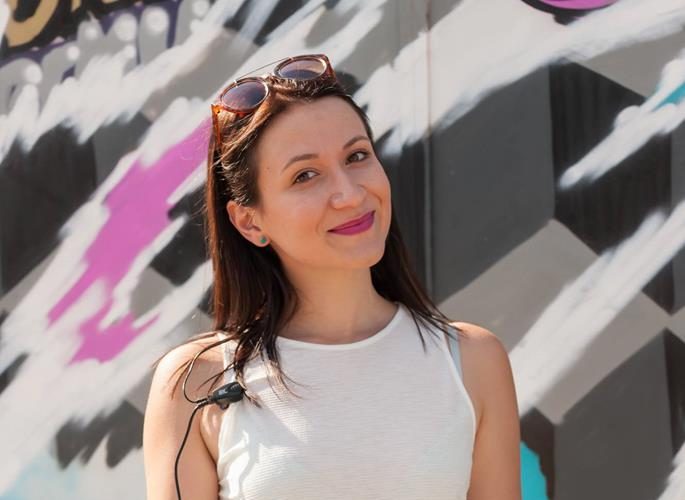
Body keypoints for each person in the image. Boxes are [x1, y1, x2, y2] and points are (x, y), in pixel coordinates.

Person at [142, 53, 521, 500]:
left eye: (357, 156)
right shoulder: (197, 382)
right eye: (305, 175)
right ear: (249, 221)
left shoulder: (471, 362)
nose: (349, 193)